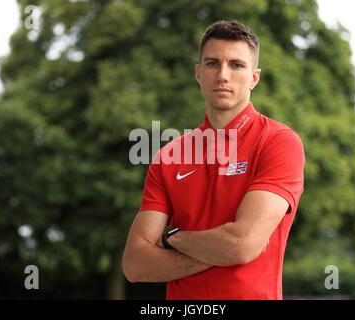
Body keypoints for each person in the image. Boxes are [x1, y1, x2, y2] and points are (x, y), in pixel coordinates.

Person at [123, 20, 305, 300]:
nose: (222, 75)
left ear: (254, 78)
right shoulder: (169, 156)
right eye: (212, 64)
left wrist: (171, 239)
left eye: (236, 65)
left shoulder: (279, 142)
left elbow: (241, 245)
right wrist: (224, 250)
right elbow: (135, 264)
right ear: (198, 73)